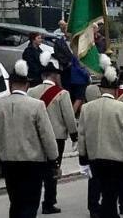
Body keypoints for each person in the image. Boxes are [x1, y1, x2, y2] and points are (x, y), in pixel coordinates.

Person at [0, 59, 57, 218]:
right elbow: (47, 135)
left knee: (16, 201)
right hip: (32, 162)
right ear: (27, 85)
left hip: (9, 162)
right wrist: (53, 160)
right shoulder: (36, 105)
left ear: (10, 85)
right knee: (30, 203)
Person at [78, 61, 123, 218]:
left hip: (95, 158)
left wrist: (83, 159)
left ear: (101, 89)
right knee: (110, 195)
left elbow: (82, 135)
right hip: (118, 159)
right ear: (116, 90)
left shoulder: (87, 108)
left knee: (105, 193)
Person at [28, 54, 77, 215]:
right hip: (56, 137)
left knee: (36, 170)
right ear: (55, 76)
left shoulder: (31, 92)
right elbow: (69, 117)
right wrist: (74, 135)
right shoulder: (62, 94)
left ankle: (32, 200)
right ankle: (49, 201)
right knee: (53, 170)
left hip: (35, 136)